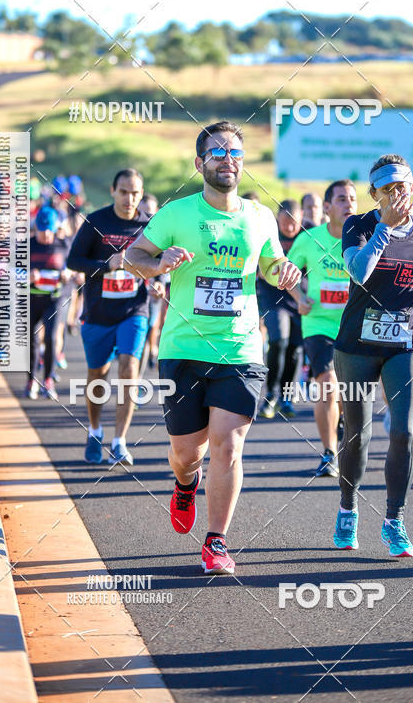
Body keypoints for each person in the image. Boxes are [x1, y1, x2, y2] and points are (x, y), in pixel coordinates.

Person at [126, 121, 300, 576]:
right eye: (219, 153)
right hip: (183, 347)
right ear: (199, 162)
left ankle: (216, 541)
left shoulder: (260, 216)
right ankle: (185, 484)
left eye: (235, 153)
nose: (228, 160)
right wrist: (157, 262)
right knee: (188, 453)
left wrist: (282, 270)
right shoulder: (177, 213)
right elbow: (133, 256)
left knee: (228, 446)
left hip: (240, 348)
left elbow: (269, 262)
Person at [332, 154, 413, 558]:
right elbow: (358, 271)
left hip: (403, 346)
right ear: (374, 194)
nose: (396, 193)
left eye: (402, 186)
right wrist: (384, 231)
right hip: (356, 345)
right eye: (387, 188)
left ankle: (394, 520)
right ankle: (347, 508)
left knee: (404, 431)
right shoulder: (359, 224)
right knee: (357, 435)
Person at [66, 169, 153, 465]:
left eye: (135, 193)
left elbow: (159, 263)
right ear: (113, 191)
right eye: (124, 192)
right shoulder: (97, 221)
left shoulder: (149, 225)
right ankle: (94, 430)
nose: (130, 198)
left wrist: (158, 283)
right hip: (99, 312)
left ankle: (120, 441)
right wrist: (108, 263)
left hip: (134, 310)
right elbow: (73, 260)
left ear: (141, 195)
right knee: (98, 378)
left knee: (130, 369)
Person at [287, 180, 357, 476]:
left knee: (347, 392)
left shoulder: (365, 239)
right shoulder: (309, 239)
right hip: (318, 323)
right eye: (341, 199)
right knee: (327, 384)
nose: (349, 204)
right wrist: (299, 296)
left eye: (353, 199)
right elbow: (285, 272)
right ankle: (330, 453)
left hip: (354, 326)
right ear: (327, 207)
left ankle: (340, 421)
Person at [257, 199, 303, 419]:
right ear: (278, 219)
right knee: (279, 341)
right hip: (274, 296)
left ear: (301, 219)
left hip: (300, 299)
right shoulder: (270, 232)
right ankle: (271, 395)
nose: (290, 228)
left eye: (294, 223)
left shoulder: (309, 234)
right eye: (285, 223)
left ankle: (286, 397)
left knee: (294, 348)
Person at [27, 207, 70, 400]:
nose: (45, 234)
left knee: (51, 338)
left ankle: (48, 380)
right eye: (41, 229)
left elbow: (75, 269)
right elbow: (9, 271)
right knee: (31, 340)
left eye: (48, 230)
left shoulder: (64, 245)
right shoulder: (26, 246)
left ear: (55, 228)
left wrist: (68, 274)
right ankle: (31, 380)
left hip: (54, 299)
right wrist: (25, 276)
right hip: (31, 299)